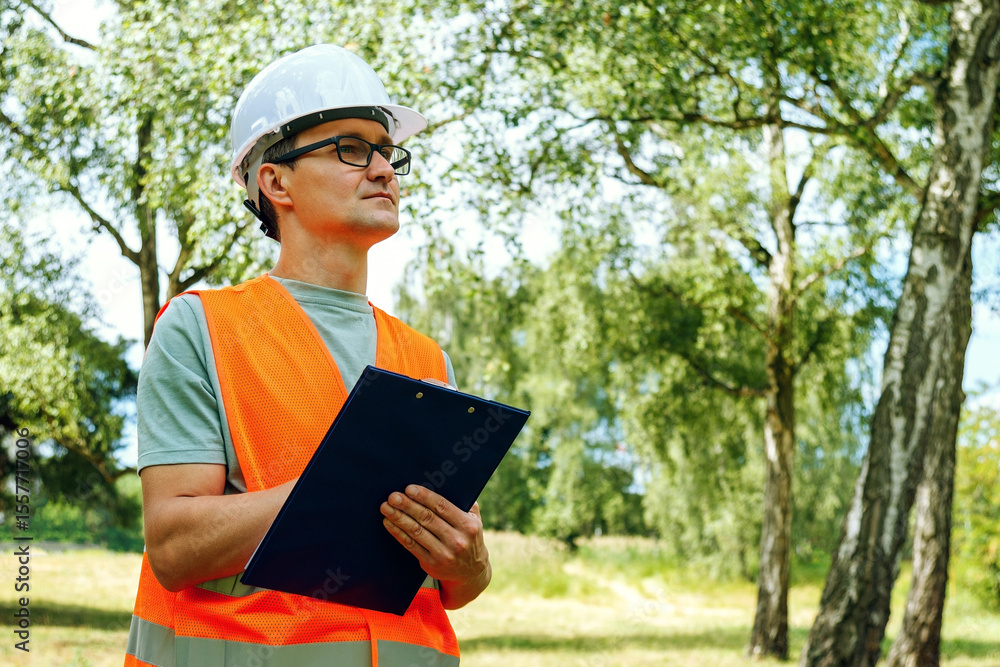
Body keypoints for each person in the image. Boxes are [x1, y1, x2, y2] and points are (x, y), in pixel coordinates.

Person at [124, 44, 490, 667]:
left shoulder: (428, 359)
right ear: (275, 181)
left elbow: (457, 583)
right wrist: (342, 494)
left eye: (386, 151)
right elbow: (176, 546)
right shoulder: (202, 327)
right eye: (351, 147)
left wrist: (470, 562)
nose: (382, 170)